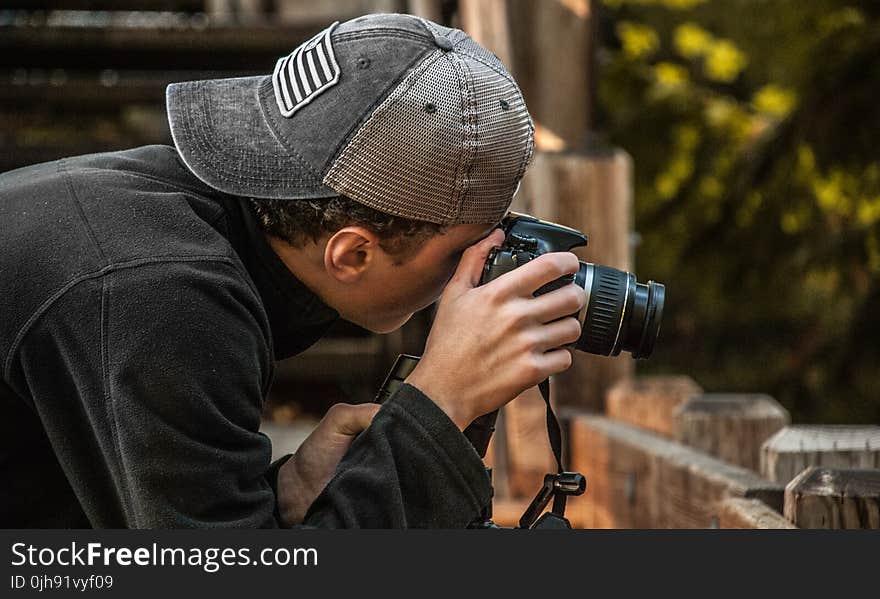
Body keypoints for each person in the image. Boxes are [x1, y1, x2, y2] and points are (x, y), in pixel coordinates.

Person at [0, 13, 585, 528]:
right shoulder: (156, 297)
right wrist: (439, 403)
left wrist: (284, 492)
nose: (478, 273)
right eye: (464, 252)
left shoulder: (167, 219)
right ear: (352, 254)